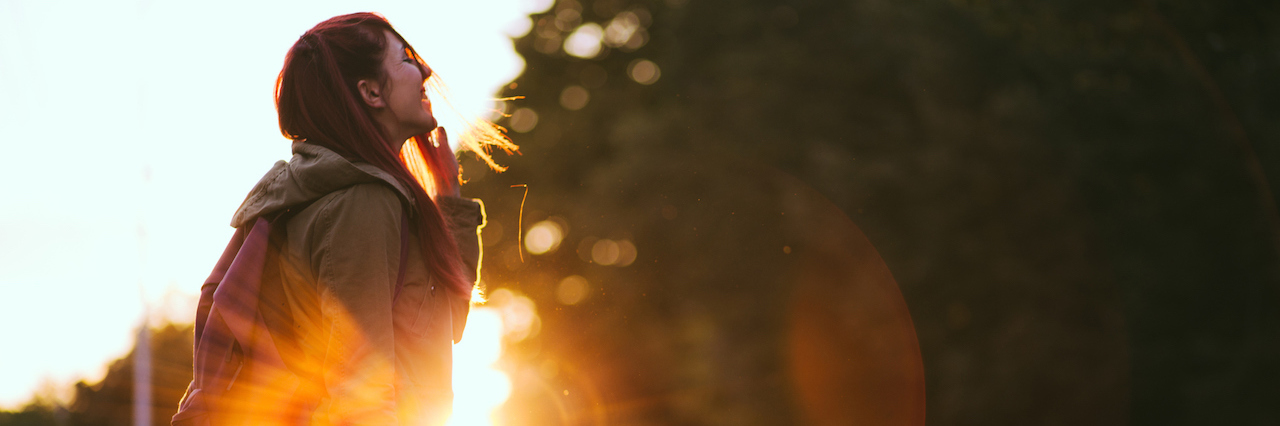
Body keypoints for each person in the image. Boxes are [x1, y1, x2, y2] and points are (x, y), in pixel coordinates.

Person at [204, 12, 507, 425]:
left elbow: (443, 325)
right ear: (371, 92)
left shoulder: (356, 196)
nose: (424, 71)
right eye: (406, 59)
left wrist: (449, 199)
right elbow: (360, 392)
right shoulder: (362, 202)